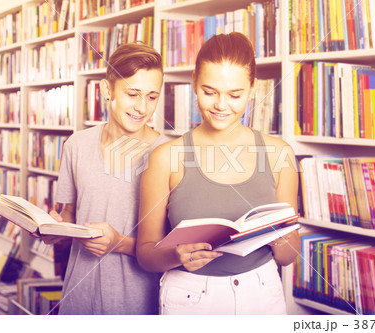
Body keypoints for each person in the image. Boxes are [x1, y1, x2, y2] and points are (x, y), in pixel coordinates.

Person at [136, 32, 301, 315]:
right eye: (209, 92)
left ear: (252, 89)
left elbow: (289, 255)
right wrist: (176, 256)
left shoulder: (279, 153)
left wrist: (277, 237)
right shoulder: (165, 158)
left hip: (262, 292)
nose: (221, 106)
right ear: (194, 84)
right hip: (190, 295)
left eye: (234, 95)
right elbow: (145, 255)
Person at [46, 42, 168, 315]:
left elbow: (175, 248)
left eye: (151, 97)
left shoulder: (168, 154)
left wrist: (120, 243)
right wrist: (52, 228)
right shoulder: (76, 145)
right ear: (107, 90)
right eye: (132, 94)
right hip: (78, 298)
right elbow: (69, 214)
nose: (141, 107)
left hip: (137, 304)